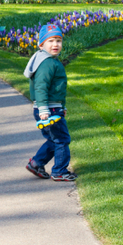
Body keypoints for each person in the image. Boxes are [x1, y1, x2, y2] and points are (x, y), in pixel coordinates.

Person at [23, 24, 75, 182]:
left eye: (59, 41)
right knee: (62, 139)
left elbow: (57, 89)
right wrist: (44, 109)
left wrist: (62, 106)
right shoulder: (47, 63)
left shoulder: (49, 61)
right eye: (51, 41)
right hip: (48, 109)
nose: (55, 44)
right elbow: (41, 87)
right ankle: (59, 171)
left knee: (54, 139)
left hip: (53, 107)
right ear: (41, 44)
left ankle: (36, 163)